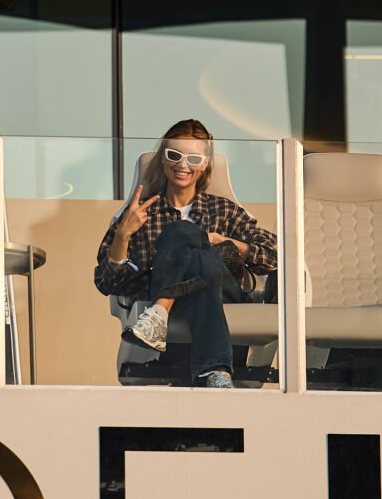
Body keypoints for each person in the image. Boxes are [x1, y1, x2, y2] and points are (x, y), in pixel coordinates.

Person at [94, 119, 277, 388]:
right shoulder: (141, 214)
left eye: (193, 158)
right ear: (163, 159)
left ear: (205, 164)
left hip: (225, 296)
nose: (182, 164)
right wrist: (123, 235)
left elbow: (274, 255)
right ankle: (215, 369)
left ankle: (159, 312)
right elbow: (107, 283)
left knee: (184, 233)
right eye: (174, 155)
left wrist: (225, 241)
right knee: (192, 245)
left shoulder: (223, 210)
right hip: (200, 318)